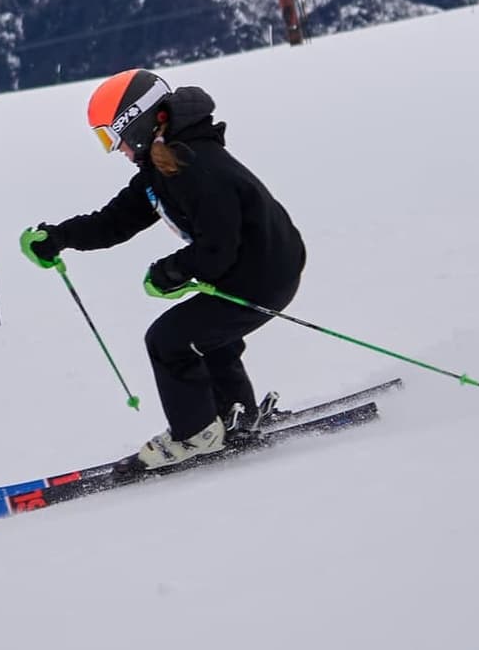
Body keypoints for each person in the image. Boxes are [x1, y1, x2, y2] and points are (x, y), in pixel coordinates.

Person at [18, 69, 306, 469]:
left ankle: (195, 434)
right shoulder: (164, 164)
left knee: (168, 341)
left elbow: (218, 248)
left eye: (110, 136)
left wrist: (170, 271)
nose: (113, 148)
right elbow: (115, 221)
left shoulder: (194, 166)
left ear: (134, 123)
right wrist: (58, 237)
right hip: (255, 268)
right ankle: (234, 415)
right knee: (204, 339)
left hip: (261, 274)